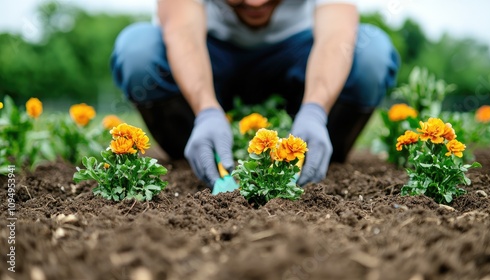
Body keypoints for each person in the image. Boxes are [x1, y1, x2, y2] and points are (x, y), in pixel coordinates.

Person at [110, 0, 400, 191]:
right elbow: (181, 30)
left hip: (300, 56)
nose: (255, 3)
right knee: (138, 52)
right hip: (208, 55)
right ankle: (200, 152)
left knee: (370, 54)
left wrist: (315, 108)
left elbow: (338, 33)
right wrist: (207, 109)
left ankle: (318, 151)